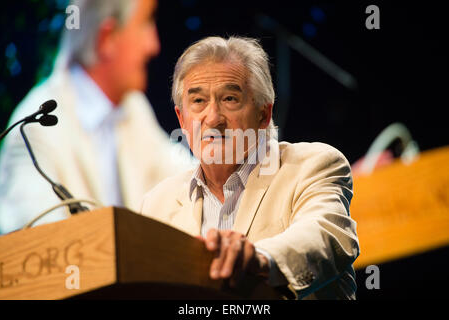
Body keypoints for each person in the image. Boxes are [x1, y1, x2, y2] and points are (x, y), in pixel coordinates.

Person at [140, 36, 360, 299]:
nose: (212, 118)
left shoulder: (313, 165)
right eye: (198, 101)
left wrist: (259, 259)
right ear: (182, 119)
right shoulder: (156, 204)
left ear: (264, 115)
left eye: (230, 99)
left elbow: (325, 237)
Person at [0, 0, 193, 234]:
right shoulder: (33, 130)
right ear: (107, 38)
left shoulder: (133, 110)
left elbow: (189, 181)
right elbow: (38, 252)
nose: (153, 45)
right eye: (145, 24)